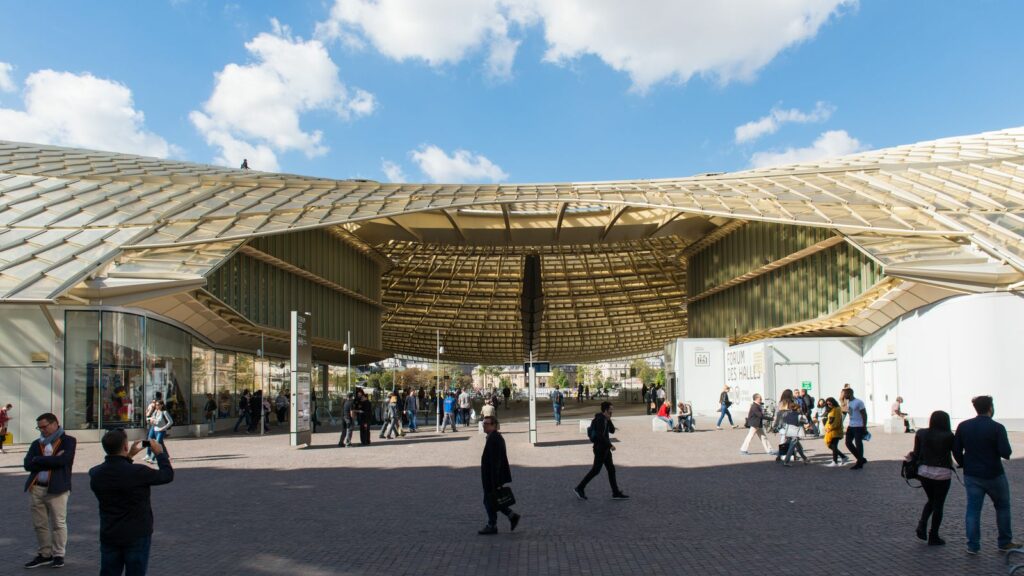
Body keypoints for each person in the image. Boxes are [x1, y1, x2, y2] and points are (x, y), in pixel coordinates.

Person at [89, 428, 174, 575]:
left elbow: (118, 470)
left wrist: (128, 456)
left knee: (109, 571)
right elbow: (167, 475)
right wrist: (160, 453)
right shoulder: (138, 472)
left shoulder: (96, 473)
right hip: (137, 532)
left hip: (110, 531)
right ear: (125, 446)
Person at [953, 395, 1021, 554]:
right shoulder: (997, 427)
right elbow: (1006, 452)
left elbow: (956, 450)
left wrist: (963, 462)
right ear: (990, 408)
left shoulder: (963, 426)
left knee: (973, 510)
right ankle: (1004, 541)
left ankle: (973, 545)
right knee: (1002, 507)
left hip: (972, 474)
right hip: (994, 473)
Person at [23, 413, 76, 569]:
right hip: (37, 487)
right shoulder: (36, 443)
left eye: (44, 427)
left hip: (57, 488)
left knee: (58, 523)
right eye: (39, 427)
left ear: (54, 424)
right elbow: (27, 464)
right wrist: (50, 461)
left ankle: (59, 554)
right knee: (40, 524)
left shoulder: (68, 441)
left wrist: (38, 460)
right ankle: (45, 554)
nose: (42, 430)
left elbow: (63, 461)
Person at [913, 410, 954, 546]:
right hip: (942, 473)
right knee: (938, 504)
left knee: (931, 500)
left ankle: (922, 524)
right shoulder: (949, 435)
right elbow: (956, 453)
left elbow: (916, 453)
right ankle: (933, 535)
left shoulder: (921, 433)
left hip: (924, 472)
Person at [574, 402, 628, 501]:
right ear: (606, 410)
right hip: (600, 448)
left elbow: (612, 430)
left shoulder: (605, 419)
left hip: (605, 449)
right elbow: (600, 436)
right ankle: (579, 488)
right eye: (611, 409)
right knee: (596, 470)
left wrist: (609, 419)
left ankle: (615, 492)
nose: (612, 411)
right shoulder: (600, 420)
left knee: (611, 470)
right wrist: (610, 445)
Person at [479, 416, 521, 534]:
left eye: (486, 423)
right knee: (494, 499)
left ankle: (492, 525)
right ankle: (512, 516)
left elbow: (495, 461)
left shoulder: (494, 439)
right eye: (483, 423)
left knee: (489, 500)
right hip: (491, 477)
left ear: (493, 425)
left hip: (492, 477)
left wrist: (495, 481)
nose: (484, 425)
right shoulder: (493, 437)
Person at [843, 388, 868, 469]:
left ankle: (859, 463)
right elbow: (850, 413)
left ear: (850, 393)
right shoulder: (849, 402)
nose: (844, 395)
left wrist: (864, 426)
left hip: (858, 426)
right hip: (851, 426)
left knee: (858, 444)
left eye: (845, 394)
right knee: (848, 443)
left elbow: (864, 414)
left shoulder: (859, 402)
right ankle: (861, 459)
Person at [823, 397, 849, 467]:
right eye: (827, 403)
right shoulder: (831, 410)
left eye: (830, 403)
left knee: (834, 446)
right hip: (830, 431)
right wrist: (826, 427)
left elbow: (837, 421)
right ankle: (843, 457)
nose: (829, 404)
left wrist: (830, 428)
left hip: (835, 431)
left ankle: (835, 461)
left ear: (833, 402)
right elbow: (829, 421)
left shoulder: (837, 409)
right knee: (830, 445)